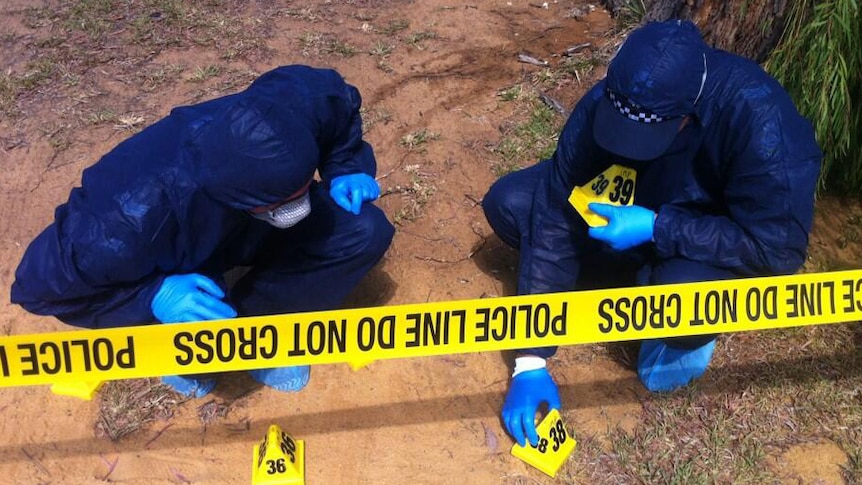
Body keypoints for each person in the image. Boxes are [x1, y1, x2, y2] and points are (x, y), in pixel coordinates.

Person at [482, 20, 821, 447]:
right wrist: (530, 363)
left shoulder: (763, 123)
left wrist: (659, 227)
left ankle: (665, 297)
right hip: (639, 202)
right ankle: (632, 282)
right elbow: (553, 209)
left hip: (699, 230)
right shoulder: (614, 97)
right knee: (512, 204)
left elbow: (778, 250)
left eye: (646, 135)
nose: (625, 145)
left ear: (685, 113)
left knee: (679, 304)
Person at [11, 65, 395, 398]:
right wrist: (151, 296)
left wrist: (346, 166)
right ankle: (188, 353)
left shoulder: (298, 105)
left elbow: (338, 105)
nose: (299, 207)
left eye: (298, 189)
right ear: (241, 196)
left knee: (363, 230)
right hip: (168, 248)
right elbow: (36, 289)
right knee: (195, 323)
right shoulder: (118, 227)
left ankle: (258, 334)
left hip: (236, 222)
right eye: (279, 201)